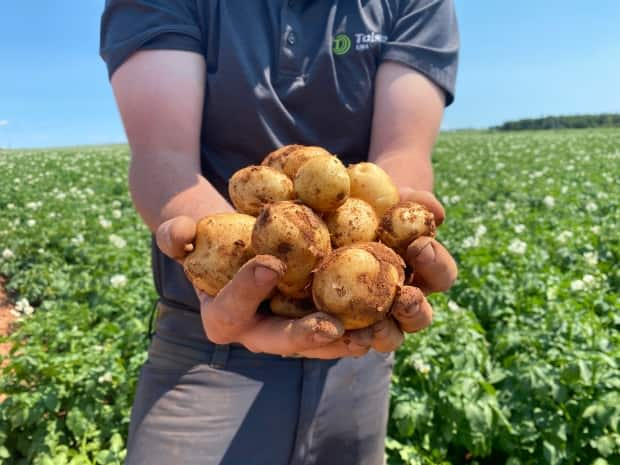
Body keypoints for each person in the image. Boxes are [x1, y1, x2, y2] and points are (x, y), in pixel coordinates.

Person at [99, 1, 459, 464]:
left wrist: (396, 226)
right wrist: (245, 284)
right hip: (206, 341)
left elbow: (400, 157)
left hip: (354, 344)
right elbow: (163, 159)